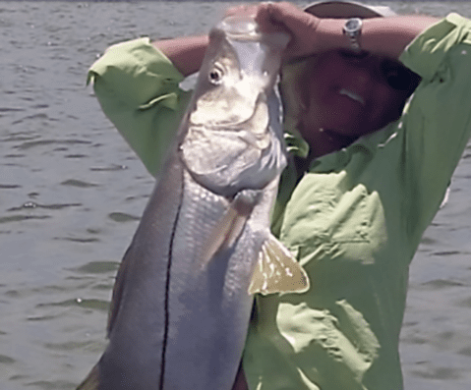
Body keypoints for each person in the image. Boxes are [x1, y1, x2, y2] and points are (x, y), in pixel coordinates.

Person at [87, 1, 471, 389]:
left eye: (394, 74)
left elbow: (464, 50)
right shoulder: (213, 151)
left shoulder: (403, 169)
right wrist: (242, 45)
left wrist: (330, 33)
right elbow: (116, 77)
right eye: (350, 58)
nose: (366, 82)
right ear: (307, 59)